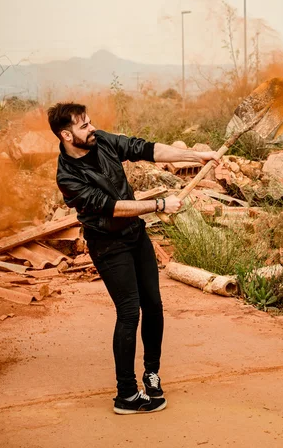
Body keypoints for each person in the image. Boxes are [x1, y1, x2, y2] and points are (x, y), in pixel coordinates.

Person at [47, 102, 219, 415]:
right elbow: (111, 206)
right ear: (66, 135)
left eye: (90, 122)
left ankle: (151, 374)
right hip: (108, 244)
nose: (92, 128)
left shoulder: (103, 142)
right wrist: (159, 205)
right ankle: (125, 394)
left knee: (152, 304)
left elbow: (145, 149)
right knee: (129, 311)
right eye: (84, 125)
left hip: (135, 235)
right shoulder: (67, 177)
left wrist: (196, 156)